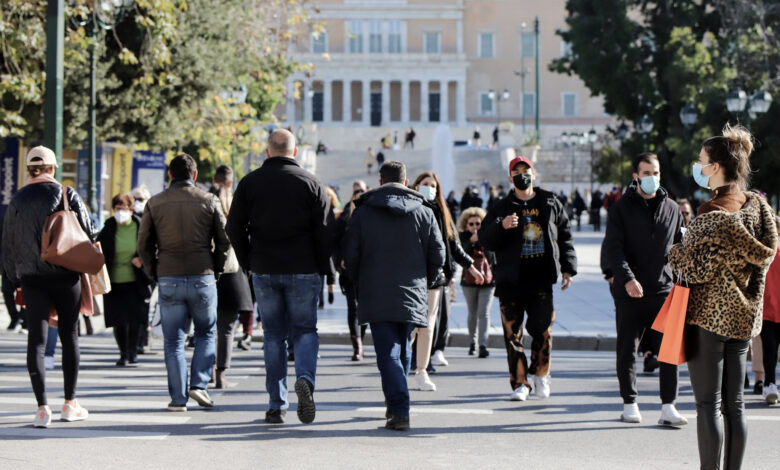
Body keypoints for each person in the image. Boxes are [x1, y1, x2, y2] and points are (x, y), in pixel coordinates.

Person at [668, 124, 778, 470]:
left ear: (716, 167)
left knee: (708, 405)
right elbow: (768, 254)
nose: (698, 167)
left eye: (701, 161)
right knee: (737, 404)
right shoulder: (759, 209)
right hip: (744, 320)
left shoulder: (709, 215)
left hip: (709, 320)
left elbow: (696, 270)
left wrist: (675, 252)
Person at [226, 129, 332, 425]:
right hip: (303, 267)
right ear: (294, 152)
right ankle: (306, 381)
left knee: (273, 336)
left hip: (265, 267)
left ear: (268, 151)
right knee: (305, 331)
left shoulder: (250, 183)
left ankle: (276, 404)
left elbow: (233, 228)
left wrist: (249, 262)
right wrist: (322, 267)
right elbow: (326, 230)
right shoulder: (311, 183)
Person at [344, 161, 446, 430]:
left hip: (376, 289)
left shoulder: (363, 212)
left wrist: (358, 280)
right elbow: (439, 254)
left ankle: (400, 408)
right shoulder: (425, 212)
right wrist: (427, 280)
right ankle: (395, 405)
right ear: (406, 181)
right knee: (401, 348)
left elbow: (351, 254)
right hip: (413, 290)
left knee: (388, 352)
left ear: (380, 182)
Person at [2, 146, 95, 427]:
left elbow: (7, 245)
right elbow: (89, 233)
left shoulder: (16, 199)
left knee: (37, 343)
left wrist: (14, 279)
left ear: (29, 170)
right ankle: (70, 403)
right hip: (66, 276)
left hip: (31, 279)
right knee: (70, 337)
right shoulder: (66, 194)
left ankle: (42, 409)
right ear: (53, 168)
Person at [479, 155, 577, 401]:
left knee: (542, 329)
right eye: (517, 171)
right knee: (512, 335)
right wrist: (502, 226)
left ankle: (541, 374)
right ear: (511, 178)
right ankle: (520, 383)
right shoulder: (501, 207)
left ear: (534, 174)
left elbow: (564, 235)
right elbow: (484, 239)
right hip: (510, 280)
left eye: (526, 170)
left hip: (541, 278)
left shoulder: (550, 201)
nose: (522, 174)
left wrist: (569, 268)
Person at [138, 153, 230, 412]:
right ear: (195, 175)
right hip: (202, 275)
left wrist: (154, 270)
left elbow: (143, 243)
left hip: (168, 275)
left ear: (170, 175)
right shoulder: (209, 200)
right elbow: (224, 240)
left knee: (173, 341)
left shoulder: (155, 203)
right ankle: (199, 385)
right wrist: (216, 269)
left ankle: (178, 398)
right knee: (206, 332)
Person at [602, 152, 686, 426]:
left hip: (663, 290)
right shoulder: (620, 209)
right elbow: (613, 249)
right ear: (636, 176)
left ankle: (668, 406)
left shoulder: (672, 209)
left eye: (656, 172)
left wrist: (681, 279)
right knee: (627, 349)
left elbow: (679, 248)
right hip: (630, 293)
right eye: (647, 173)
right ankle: (630, 403)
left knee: (668, 351)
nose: (652, 178)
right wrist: (626, 278)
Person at [410, 171, 483, 390]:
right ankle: (402, 364)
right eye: (425, 184)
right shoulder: (409, 209)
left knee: (429, 325)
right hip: (412, 275)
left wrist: (471, 266)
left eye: (433, 185)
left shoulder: (442, 211)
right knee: (410, 325)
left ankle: (422, 370)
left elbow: (454, 244)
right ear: (416, 186)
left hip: (436, 277)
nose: (429, 188)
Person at [207, 166, 254, 389]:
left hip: (207, 270)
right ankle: (221, 372)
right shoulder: (236, 208)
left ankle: (205, 369)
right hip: (232, 272)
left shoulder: (205, 204)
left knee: (206, 327)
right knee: (226, 327)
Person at [97, 193, 153, 367]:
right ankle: (123, 353)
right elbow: (98, 249)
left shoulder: (140, 226)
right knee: (118, 320)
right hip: (114, 280)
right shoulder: (108, 228)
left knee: (135, 318)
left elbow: (151, 246)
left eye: (124, 209)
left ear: (131, 210)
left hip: (136, 280)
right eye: (117, 209)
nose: (120, 212)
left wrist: (141, 259)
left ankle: (133, 351)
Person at [333, 186, 367, 360]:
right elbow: (336, 244)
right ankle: (357, 345)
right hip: (348, 271)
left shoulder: (372, 217)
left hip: (367, 271)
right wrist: (339, 262)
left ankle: (361, 336)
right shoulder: (344, 218)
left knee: (365, 306)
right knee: (352, 306)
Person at [458, 207, 496, 358]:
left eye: (478, 223)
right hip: (468, 280)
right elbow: (460, 255)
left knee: (484, 312)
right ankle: (472, 342)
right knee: (472, 313)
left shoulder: (488, 236)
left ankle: (483, 345)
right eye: (471, 224)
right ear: (466, 225)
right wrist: (471, 242)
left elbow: (492, 257)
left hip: (487, 280)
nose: (475, 227)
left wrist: (481, 240)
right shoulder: (462, 237)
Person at [760, 215, 780, 404]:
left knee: (771, 350)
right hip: (766, 310)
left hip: (772, 309)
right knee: (770, 350)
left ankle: (770, 384)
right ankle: (769, 384)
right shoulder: (762, 251)